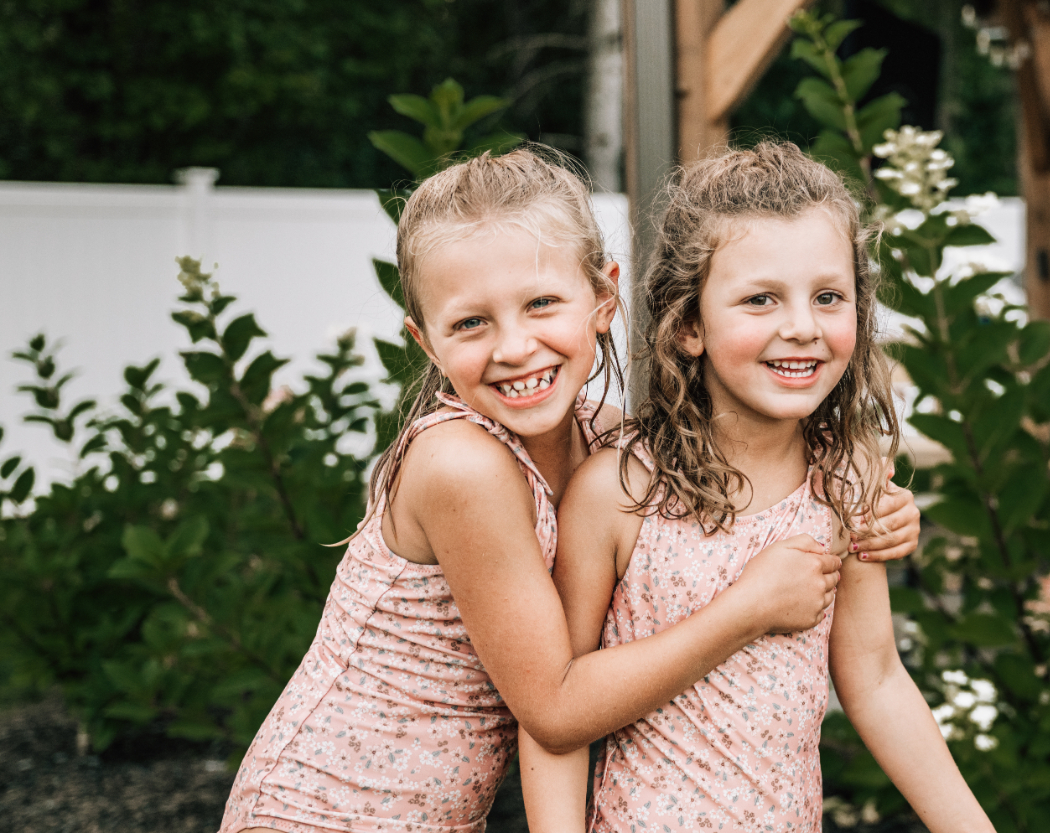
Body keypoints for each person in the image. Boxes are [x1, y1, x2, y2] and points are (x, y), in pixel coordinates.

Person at [220, 147, 919, 833]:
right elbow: (554, 706)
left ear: (603, 299)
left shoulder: (601, 438)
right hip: (322, 810)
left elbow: (724, 468)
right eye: (471, 322)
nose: (515, 346)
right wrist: (749, 609)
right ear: (426, 342)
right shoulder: (462, 465)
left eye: (542, 304)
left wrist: (881, 514)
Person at [537, 142, 992, 832]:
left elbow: (874, 680)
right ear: (689, 324)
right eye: (760, 299)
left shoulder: (847, 476)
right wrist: (746, 608)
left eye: (828, 297)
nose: (803, 327)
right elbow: (557, 716)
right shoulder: (618, 489)